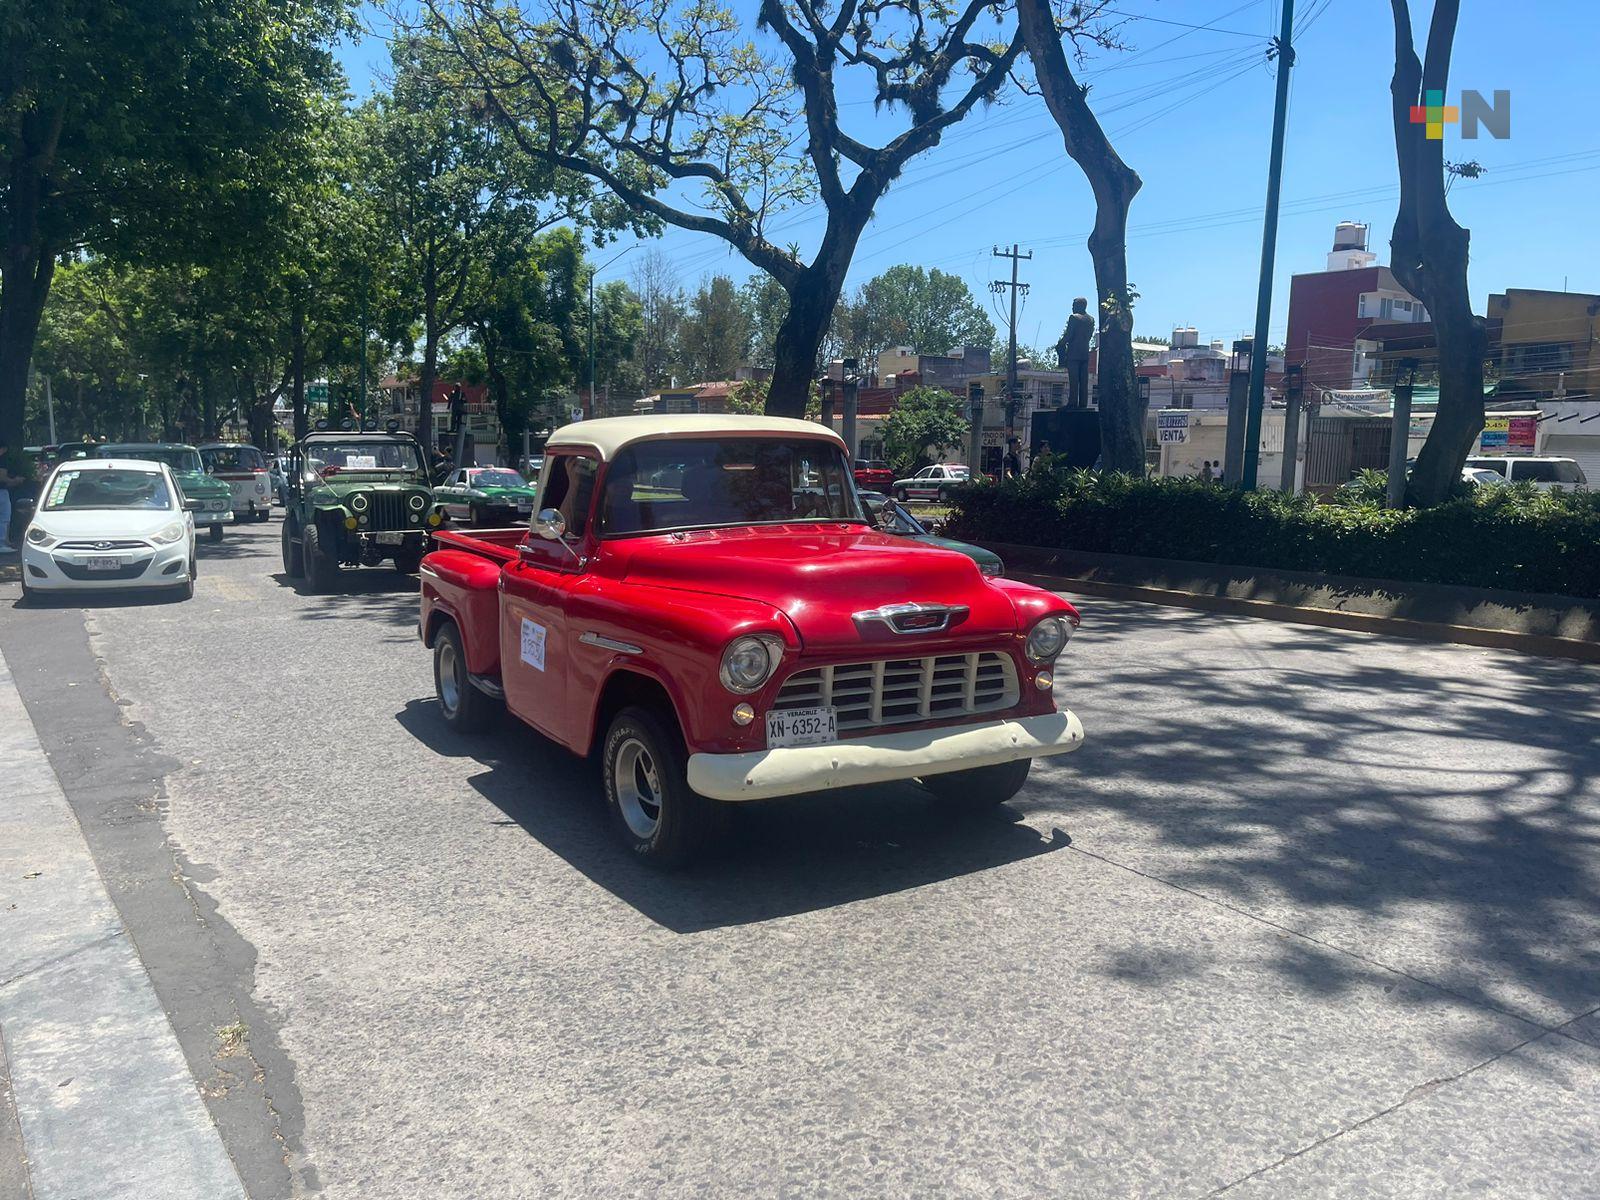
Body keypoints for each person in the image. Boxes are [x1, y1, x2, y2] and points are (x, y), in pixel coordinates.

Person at [1056, 297, 1095, 409]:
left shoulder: (1074, 318)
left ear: (1080, 305)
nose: (1072, 307)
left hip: (1073, 354)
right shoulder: (1091, 319)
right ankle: (1083, 403)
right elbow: (1089, 336)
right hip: (1084, 354)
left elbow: (1069, 335)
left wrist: (1060, 344)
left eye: (1074, 305)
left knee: (1074, 380)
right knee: (1083, 381)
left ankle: (1072, 403)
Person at [0, 442, 20, 554]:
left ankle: (5, 541)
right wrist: (14, 481)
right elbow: (2, 477)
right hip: (1, 492)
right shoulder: (2, 460)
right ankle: (2, 543)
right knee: (4, 517)